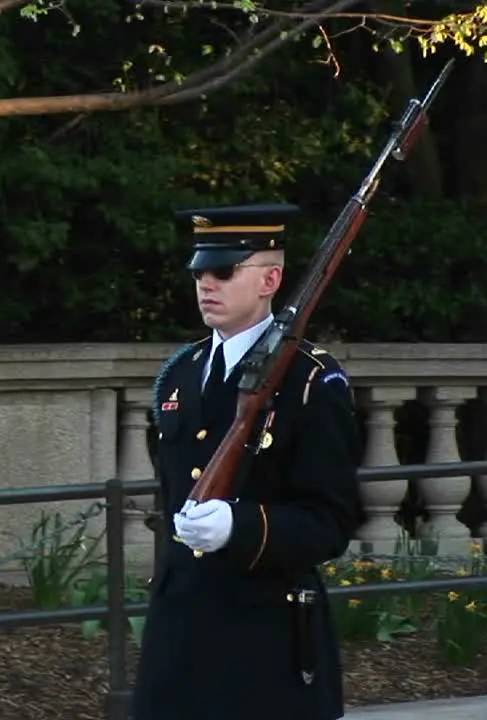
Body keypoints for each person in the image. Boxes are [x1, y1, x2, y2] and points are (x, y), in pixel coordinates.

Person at [131, 203, 363, 720]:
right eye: (199, 271)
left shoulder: (310, 382)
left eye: (224, 271)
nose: (205, 283)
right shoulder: (181, 374)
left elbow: (331, 520)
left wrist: (241, 526)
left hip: (263, 641)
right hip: (180, 632)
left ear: (271, 278)